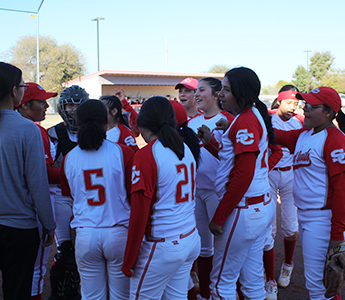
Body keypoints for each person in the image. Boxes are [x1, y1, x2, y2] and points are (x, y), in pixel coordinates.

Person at [199, 67, 276, 299]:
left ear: (241, 94)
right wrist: (212, 142)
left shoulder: (245, 121)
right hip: (256, 207)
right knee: (252, 282)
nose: (221, 94)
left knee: (221, 284)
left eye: (226, 89)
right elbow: (232, 161)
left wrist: (219, 216)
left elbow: (243, 174)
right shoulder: (245, 117)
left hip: (242, 209)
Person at [122, 96, 201, 299]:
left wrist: (129, 260)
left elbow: (139, 214)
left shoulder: (147, 155)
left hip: (162, 244)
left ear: (143, 121)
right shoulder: (184, 148)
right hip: (189, 237)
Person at [274, 86, 345, 300]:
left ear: (329, 113)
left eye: (312, 106)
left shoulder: (334, 139)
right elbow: (275, 135)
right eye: (305, 104)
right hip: (306, 217)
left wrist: (337, 235)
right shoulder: (305, 134)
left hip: (323, 219)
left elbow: (342, 189)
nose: (304, 109)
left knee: (319, 285)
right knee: (323, 283)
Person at [60, 99, 134, 299]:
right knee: (121, 296)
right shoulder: (122, 152)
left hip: (86, 234)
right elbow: (132, 194)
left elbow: (69, 195)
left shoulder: (69, 157)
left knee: (92, 296)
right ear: (106, 121)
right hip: (118, 232)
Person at [0, 62, 55, 300]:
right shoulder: (27, 130)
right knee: (18, 291)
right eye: (22, 85)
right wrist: (49, 224)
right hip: (18, 229)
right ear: (14, 91)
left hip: (16, 226)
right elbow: (37, 185)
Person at [188, 77, 234, 300]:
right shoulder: (191, 123)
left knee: (224, 247)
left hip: (220, 191)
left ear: (217, 95)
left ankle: (224, 291)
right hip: (197, 191)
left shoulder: (229, 120)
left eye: (201, 90)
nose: (197, 94)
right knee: (204, 247)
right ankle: (206, 294)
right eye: (196, 90)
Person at [15, 82, 59, 300]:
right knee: (37, 269)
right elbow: (45, 175)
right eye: (41, 101)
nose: (46, 105)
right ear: (24, 105)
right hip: (32, 207)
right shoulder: (34, 130)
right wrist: (73, 171)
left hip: (11, 210)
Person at [47, 85, 89, 300]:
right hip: (62, 197)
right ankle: (63, 292)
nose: (73, 110)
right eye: (69, 105)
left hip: (87, 198)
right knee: (65, 249)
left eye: (78, 105)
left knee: (86, 248)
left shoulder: (93, 132)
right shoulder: (54, 133)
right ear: (62, 108)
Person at [263, 85, 304, 299]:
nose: (292, 107)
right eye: (289, 102)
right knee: (269, 228)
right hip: (270, 174)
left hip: (290, 175)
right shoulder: (267, 120)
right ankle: (269, 279)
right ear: (279, 101)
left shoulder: (298, 122)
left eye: (296, 104)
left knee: (291, 227)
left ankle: (287, 265)